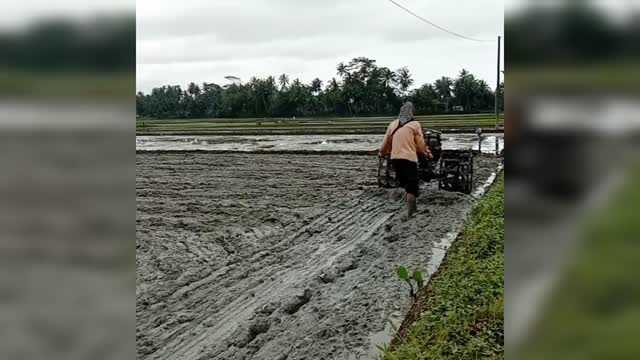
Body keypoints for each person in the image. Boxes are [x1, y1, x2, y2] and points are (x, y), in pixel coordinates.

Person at [378, 102, 432, 217]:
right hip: (409, 159)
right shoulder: (415, 125)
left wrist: (381, 153)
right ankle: (410, 214)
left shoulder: (392, 125)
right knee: (412, 188)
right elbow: (421, 144)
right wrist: (427, 154)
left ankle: (414, 209)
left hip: (395, 160)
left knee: (407, 185)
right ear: (412, 113)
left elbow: (384, 144)